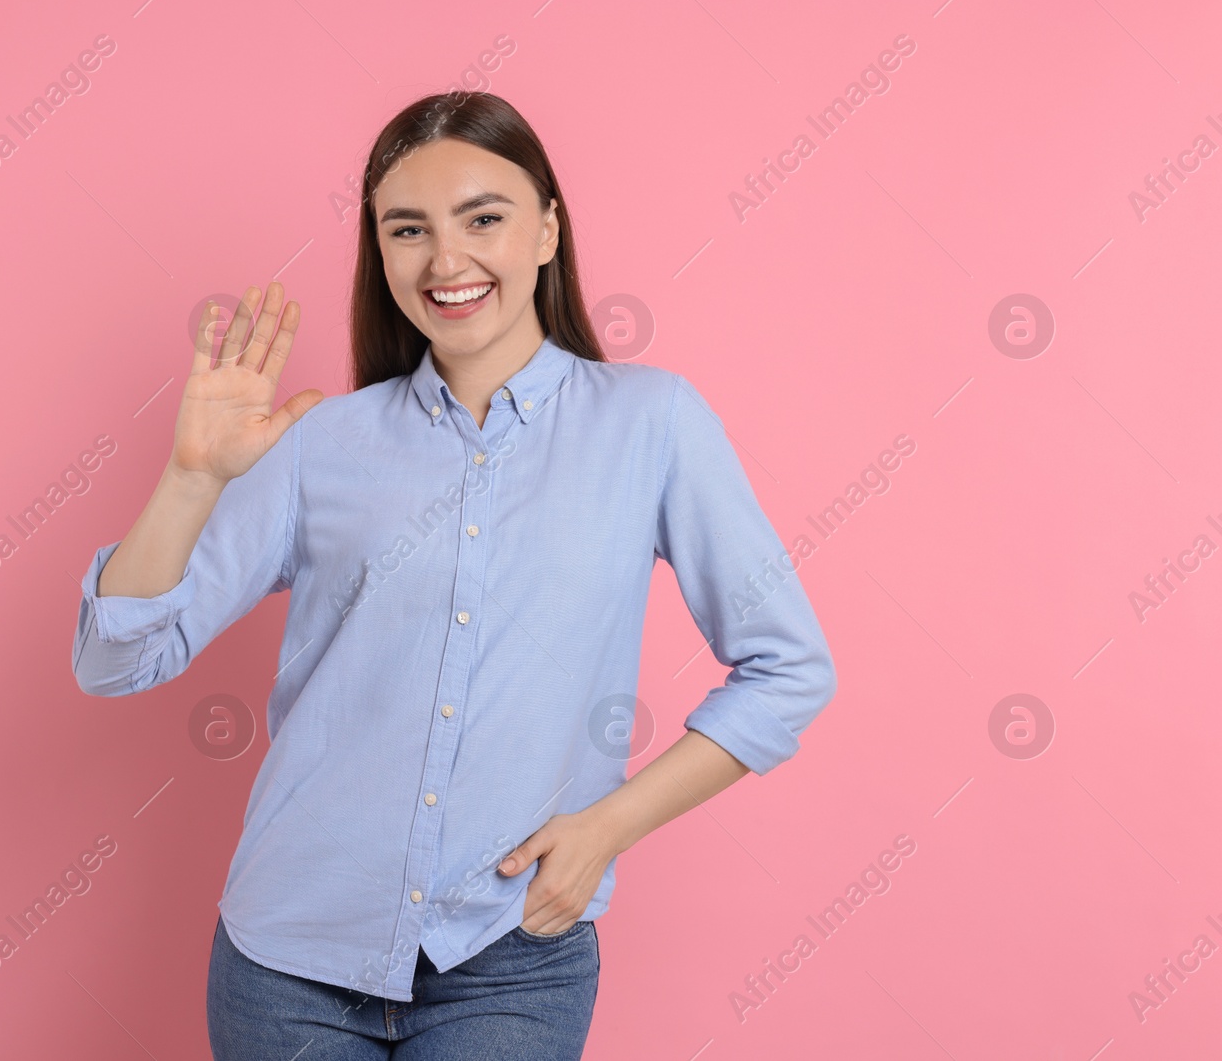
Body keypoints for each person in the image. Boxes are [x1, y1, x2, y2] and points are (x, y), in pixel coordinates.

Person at [71, 90, 837, 1060]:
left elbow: (788, 665)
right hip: (289, 954)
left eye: (483, 217)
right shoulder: (321, 442)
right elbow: (115, 661)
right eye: (408, 229)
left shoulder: (650, 423)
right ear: (379, 251)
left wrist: (609, 825)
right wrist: (189, 481)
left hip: (510, 955)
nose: (446, 260)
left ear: (548, 227)